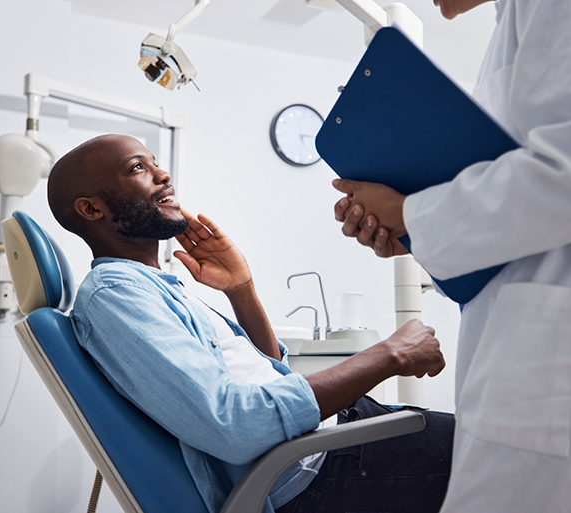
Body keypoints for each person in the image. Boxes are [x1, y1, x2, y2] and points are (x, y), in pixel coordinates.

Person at [47, 133, 454, 513]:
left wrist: (241, 290)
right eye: (137, 168)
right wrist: (389, 354)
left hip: (330, 442)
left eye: (154, 163)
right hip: (319, 470)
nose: (163, 174)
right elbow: (236, 424)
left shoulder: (150, 287)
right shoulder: (116, 295)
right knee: (506, 455)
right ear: (90, 208)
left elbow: (267, 375)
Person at [332, 0, 571, 511]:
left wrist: (411, 212)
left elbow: (563, 172)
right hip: (519, 351)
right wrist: (412, 232)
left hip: (546, 370)